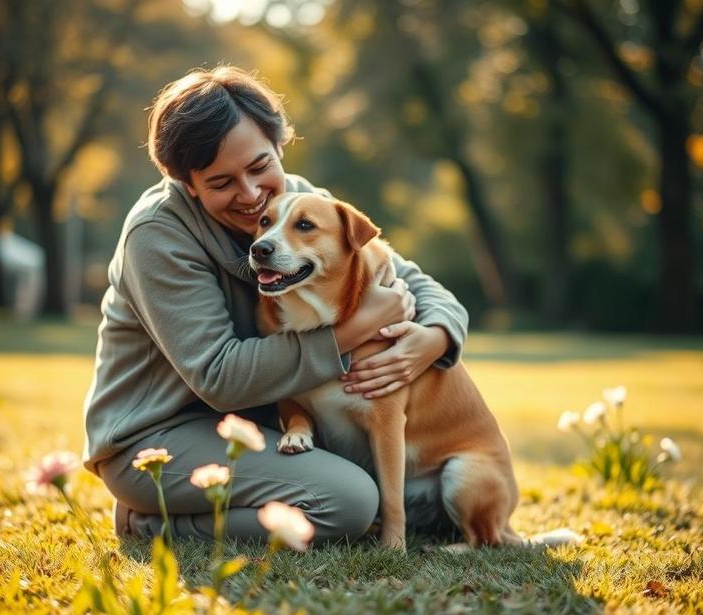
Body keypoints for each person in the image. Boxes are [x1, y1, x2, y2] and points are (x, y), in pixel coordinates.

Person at [83, 66, 468, 543]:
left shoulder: (300, 203)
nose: (249, 195)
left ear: (280, 145)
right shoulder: (157, 236)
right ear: (187, 183)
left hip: (262, 428)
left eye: (260, 166)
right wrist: (355, 328)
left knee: (359, 492)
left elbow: (413, 280)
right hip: (158, 439)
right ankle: (148, 520)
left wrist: (433, 339)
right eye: (221, 183)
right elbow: (220, 377)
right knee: (348, 504)